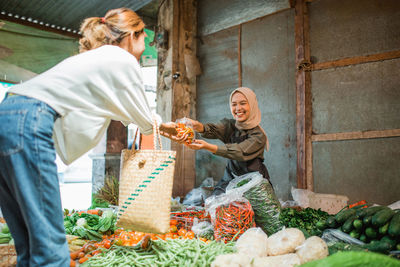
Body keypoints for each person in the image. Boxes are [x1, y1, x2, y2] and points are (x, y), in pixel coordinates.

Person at [0, 8, 178, 267]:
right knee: (50, 249)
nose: (144, 46)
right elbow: (142, 117)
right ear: (131, 35)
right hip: (28, 120)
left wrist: (156, 124)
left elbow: (124, 111)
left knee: (27, 242)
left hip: (7, 113)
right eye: (144, 38)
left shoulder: (98, 59)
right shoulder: (120, 58)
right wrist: (167, 128)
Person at [184, 87, 271, 196]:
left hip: (254, 182)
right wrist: (198, 126)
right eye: (234, 104)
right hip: (231, 178)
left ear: (252, 105)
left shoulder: (258, 136)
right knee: (216, 202)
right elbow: (214, 129)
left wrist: (207, 146)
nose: (238, 108)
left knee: (253, 210)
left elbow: (239, 152)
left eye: (243, 103)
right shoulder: (230, 126)